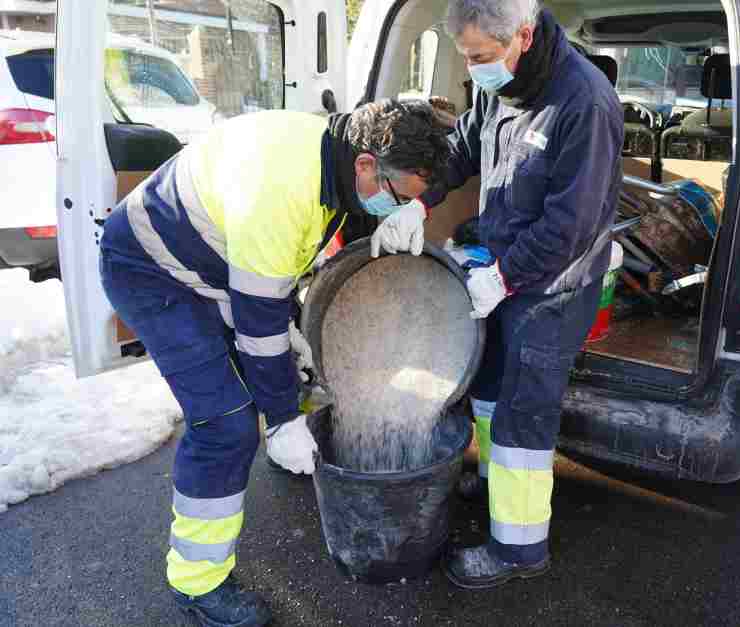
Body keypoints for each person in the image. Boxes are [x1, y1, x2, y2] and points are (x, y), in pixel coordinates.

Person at [99, 100, 449, 627]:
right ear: (366, 165)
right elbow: (258, 325)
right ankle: (199, 584)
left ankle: (283, 444)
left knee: (284, 370)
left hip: (215, 263)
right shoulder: (283, 189)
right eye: (398, 196)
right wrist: (282, 419)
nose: (395, 205)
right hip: (153, 271)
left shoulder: (338, 154)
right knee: (226, 425)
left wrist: (401, 213)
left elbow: (275, 281)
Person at [371, 0, 624, 589]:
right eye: (465, 54)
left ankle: (518, 546)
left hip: (555, 284)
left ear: (524, 35)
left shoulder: (583, 103)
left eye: (481, 56)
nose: (474, 66)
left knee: (520, 412)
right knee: (485, 386)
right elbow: (460, 150)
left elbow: (572, 226)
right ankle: (489, 480)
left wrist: (506, 277)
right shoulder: (499, 84)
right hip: (500, 267)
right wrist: (419, 203)